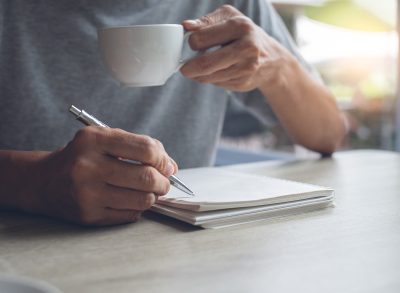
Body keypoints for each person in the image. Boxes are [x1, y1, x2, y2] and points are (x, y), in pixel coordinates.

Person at [0, 0, 346, 226]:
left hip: (189, 247)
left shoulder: (230, 7)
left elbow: (329, 133)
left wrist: (280, 69)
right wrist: (34, 182)